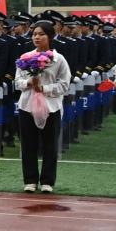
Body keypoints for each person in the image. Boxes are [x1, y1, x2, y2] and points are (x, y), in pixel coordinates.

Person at [12, 20, 70, 194]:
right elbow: (17, 82)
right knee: (28, 144)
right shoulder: (25, 58)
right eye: (34, 34)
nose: (36, 37)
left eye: (41, 34)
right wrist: (29, 82)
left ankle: (47, 181)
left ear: (50, 36)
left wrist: (44, 88)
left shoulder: (59, 59)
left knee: (50, 145)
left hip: (51, 107)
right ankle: (30, 180)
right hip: (27, 105)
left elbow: (64, 85)